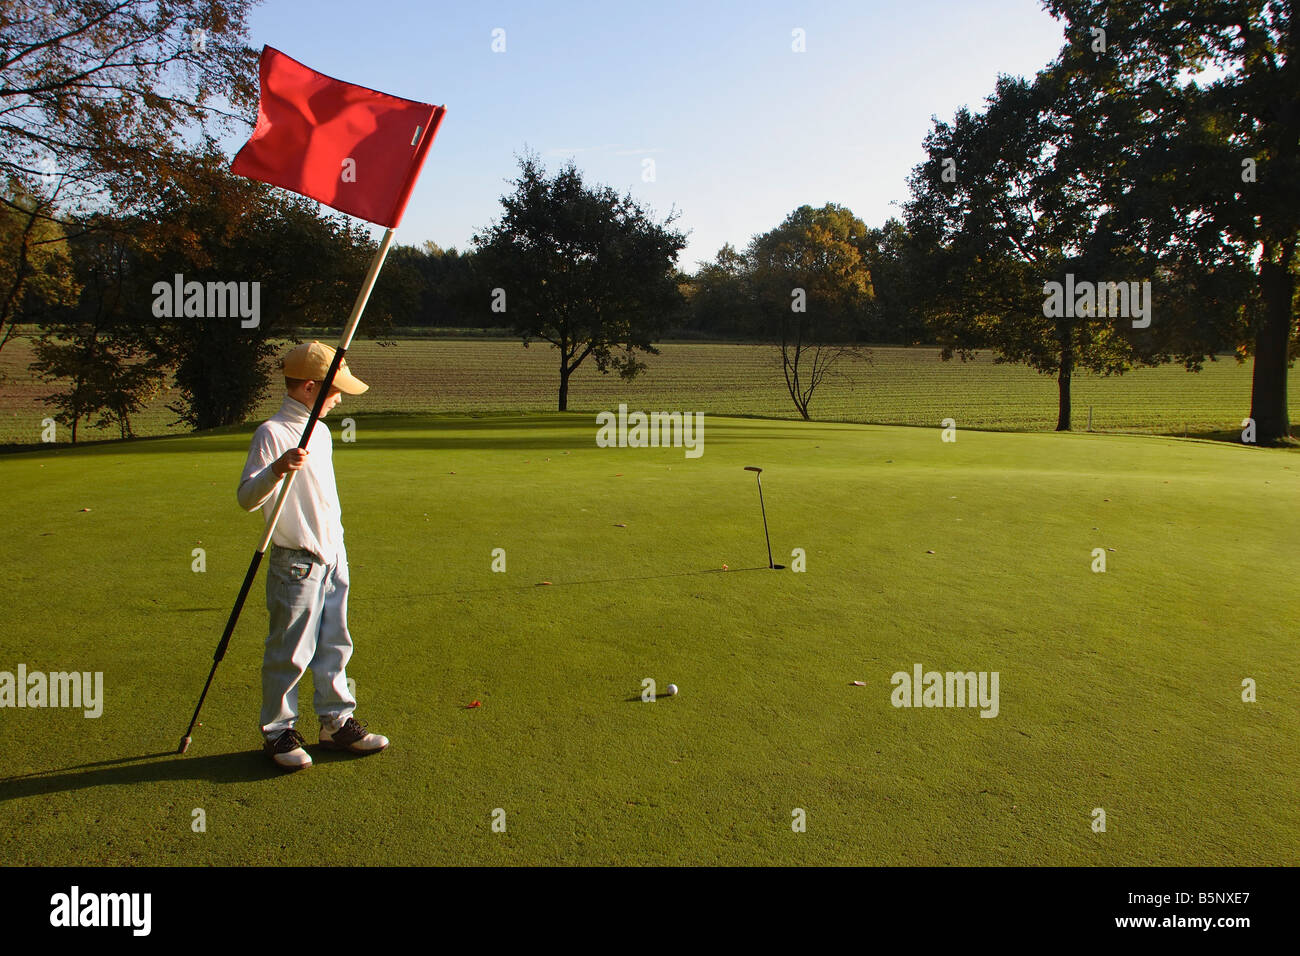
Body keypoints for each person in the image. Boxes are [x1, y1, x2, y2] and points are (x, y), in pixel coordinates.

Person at [237, 341, 389, 771]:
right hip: (295, 561)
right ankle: (278, 732)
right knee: (290, 650)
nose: (339, 397)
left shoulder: (320, 431)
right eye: (334, 390)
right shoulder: (273, 434)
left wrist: (337, 550)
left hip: (332, 554)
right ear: (309, 388)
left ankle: (335, 722)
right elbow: (247, 498)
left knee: (336, 643)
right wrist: (277, 469)